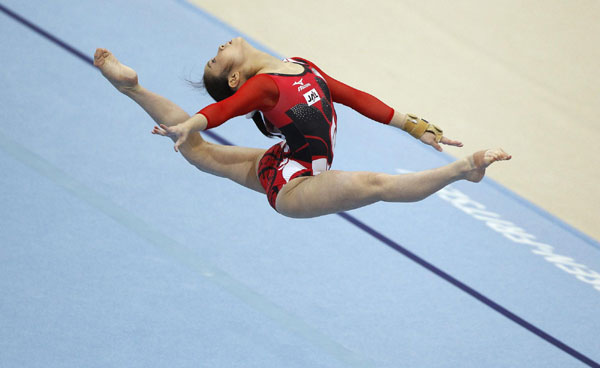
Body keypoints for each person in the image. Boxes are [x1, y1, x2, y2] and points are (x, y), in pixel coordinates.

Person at [93, 37, 511, 218]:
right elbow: (228, 109)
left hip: (282, 164)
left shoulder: (301, 66)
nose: (219, 49)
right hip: (296, 186)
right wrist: (194, 122)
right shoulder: (262, 88)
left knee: (200, 154)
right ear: (235, 77)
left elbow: (351, 95)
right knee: (377, 185)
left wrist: (414, 126)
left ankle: (132, 88)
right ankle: (464, 170)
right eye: (216, 60)